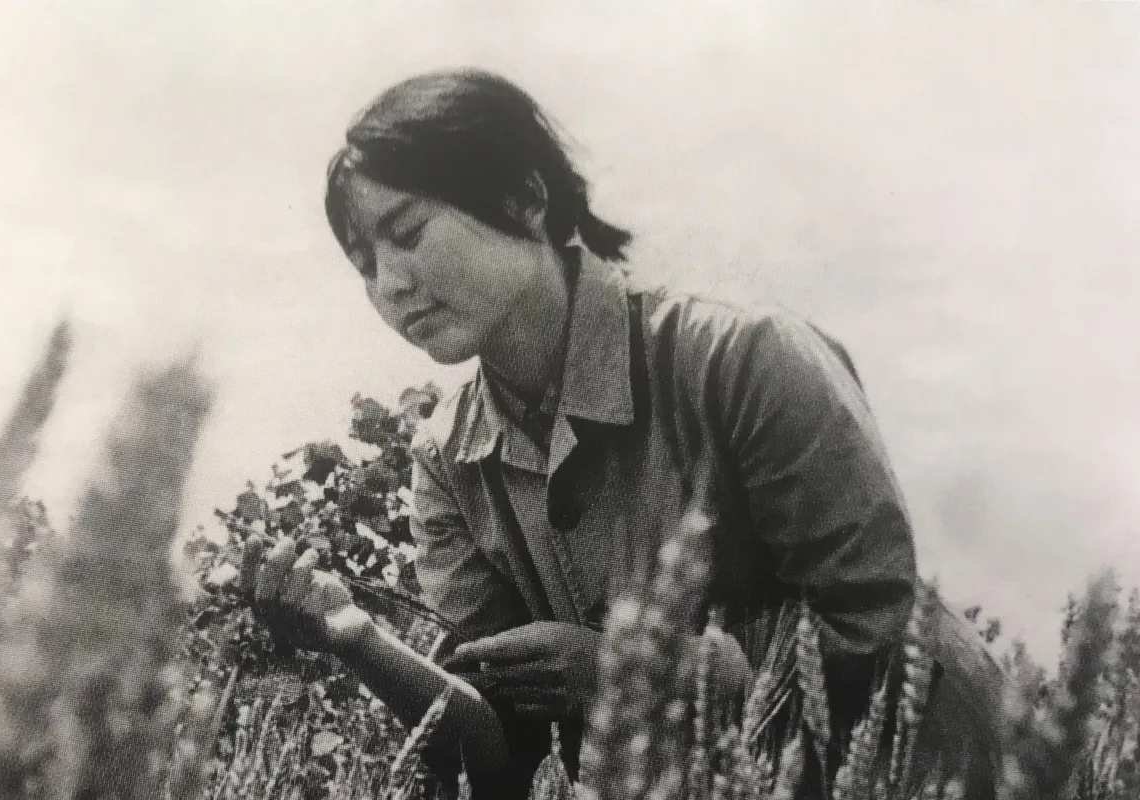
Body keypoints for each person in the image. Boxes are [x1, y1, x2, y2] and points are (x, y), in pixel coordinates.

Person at [241, 67, 1004, 799]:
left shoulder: (740, 357)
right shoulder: (449, 462)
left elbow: (878, 632)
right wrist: (357, 639)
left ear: (525, 194)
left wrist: (634, 669)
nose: (391, 283)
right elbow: (499, 756)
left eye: (408, 232)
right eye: (364, 264)